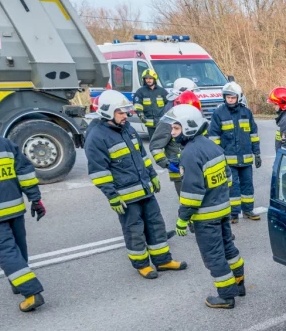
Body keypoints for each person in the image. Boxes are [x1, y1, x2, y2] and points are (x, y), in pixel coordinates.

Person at [85, 89, 187, 278]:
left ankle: (163, 261)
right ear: (107, 112)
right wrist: (112, 196)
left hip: (145, 190)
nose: (125, 115)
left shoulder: (127, 129)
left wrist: (152, 175)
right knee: (135, 231)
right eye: (120, 112)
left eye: (125, 112)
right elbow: (99, 172)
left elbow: (141, 156)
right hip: (126, 196)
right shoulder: (96, 137)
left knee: (156, 225)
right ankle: (142, 264)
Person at [166, 105, 245, 309]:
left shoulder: (190, 154)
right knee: (228, 247)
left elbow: (192, 195)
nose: (172, 133)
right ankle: (239, 283)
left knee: (214, 256)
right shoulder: (213, 146)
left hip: (205, 217)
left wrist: (182, 220)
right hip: (222, 210)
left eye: (175, 128)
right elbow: (227, 179)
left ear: (188, 127)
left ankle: (227, 297)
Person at [0, 105, 47, 312]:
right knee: (18, 248)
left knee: (6, 252)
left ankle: (31, 292)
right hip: (15, 208)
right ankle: (18, 281)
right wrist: (36, 200)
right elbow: (25, 173)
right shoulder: (4, 143)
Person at [208, 82, 260, 223]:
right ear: (224, 98)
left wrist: (257, 153)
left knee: (247, 185)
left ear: (238, 97)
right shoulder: (218, 113)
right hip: (228, 160)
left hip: (246, 159)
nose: (230, 100)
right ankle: (234, 214)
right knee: (233, 186)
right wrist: (217, 157)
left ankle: (248, 210)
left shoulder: (246, 113)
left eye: (233, 97)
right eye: (228, 97)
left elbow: (253, 134)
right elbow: (214, 137)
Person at [132, 69, 167, 139]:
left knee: (163, 141)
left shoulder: (162, 91)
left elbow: (168, 105)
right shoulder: (140, 92)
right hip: (150, 124)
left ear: (154, 78)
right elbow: (137, 105)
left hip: (162, 123)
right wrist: (141, 115)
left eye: (150, 78)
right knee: (154, 142)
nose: (148, 80)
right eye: (146, 78)